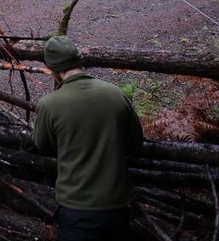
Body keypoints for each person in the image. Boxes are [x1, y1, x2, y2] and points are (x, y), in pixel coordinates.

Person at [33, 35, 144, 241]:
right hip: (119, 205)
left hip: (77, 208)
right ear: (79, 62)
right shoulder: (116, 94)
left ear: (54, 71)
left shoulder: (49, 104)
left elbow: (42, 145)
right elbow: (136, 144)